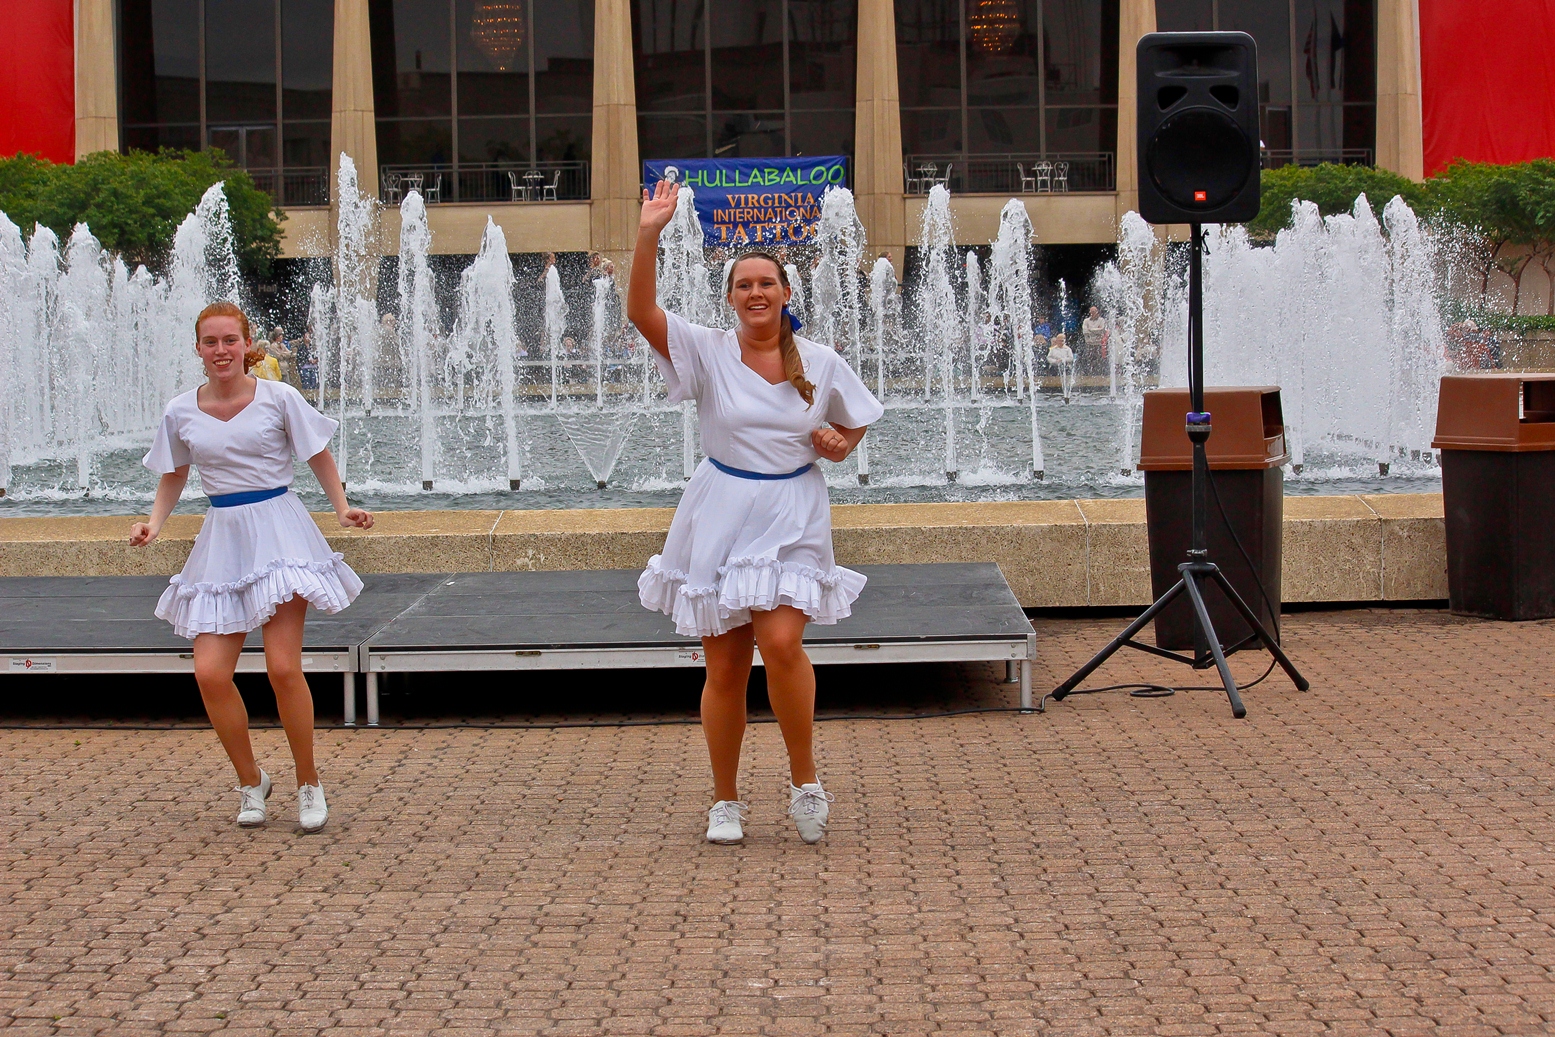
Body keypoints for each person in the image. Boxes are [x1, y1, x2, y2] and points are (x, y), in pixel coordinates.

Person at [628, 180, 883, 847]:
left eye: (766, 282)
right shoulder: (707, 349)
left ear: (786, 292)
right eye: (743, 285)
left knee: (781, 641)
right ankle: (725, 799)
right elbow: (640, 311)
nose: (755, 292)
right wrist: (649, 233)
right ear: (731, 297)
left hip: (793, 510)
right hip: (720, 511)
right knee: (724, 668)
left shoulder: (821, 361)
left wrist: (840, 442)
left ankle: (805, 780)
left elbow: (855, 421)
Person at [129, 301, 374, 832]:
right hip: (223, 538)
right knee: (210, 674)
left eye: (229, 341)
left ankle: (308, 781)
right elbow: (174, 473)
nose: (221, 350)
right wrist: (154, 523)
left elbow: (317, 454)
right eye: (210, 342)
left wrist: (341, 508)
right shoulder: (180, 410)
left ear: (246, 345)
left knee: (283, 668)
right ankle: (251, 780)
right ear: (198, 349)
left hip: (280, 533)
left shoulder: (279, 397)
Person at [1082, 305, 1109, 374]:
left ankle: (1099, 373)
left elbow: (1102, 330)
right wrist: (1096, 330)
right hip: (1089, 343)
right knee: (1089, 360)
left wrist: (1090, 329)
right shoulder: (1086, 321)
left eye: (1094, 312)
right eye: (1091, 312)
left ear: (1097, 312)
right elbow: (1085, 331)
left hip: (1098, 343)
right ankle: (1089, 374)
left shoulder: (1101, 320)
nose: (1093, 313)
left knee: (1099, 360)